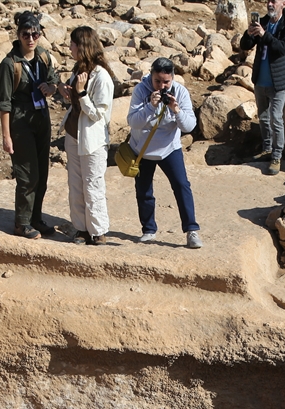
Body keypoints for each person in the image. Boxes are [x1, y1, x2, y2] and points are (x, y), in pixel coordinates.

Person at [126, 57, 202, 249]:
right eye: (157, 81)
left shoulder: (180, 92)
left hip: (169, 148)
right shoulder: (140, 91)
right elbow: (133, 122)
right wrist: (150, 106)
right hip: (142, 150)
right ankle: (148, 229)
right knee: (144, 191)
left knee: (182, 186)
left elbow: (190, 126)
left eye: (166, 82)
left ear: (173, 79)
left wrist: (176, 110)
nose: (161, 86)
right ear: (151, 77)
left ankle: (191, 230)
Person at [0, 11, 59, 239]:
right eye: (26, 34)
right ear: (18, 35)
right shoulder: (9, 64)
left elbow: (54, 80)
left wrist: (51, 89)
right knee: (27, 175)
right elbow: (4, 103)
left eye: (35, 34)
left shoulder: (43, 56)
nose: (30, 39)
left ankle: (36, 218)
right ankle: (21, 223)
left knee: (42, 172)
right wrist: (6, 136)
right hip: (20, 123)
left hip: (42, 119)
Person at [57, 26, 113, 246]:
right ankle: (81, 229)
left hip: (93, 140)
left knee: (93, 184)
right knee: (76, 184)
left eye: (72, 44)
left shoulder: (102, 76)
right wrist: (66, 91)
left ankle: (98, 230)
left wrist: (81, 93)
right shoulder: (78, 69)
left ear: (82, 46)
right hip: (73, 135)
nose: (69, 48)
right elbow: (73, 103)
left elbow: (100, 113)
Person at [239, 0, 285, 176]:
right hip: (260, 80)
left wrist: (264, 35)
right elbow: (244, 45)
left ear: (283, 3)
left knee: (276, 118)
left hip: (278, 81)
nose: (270, 4)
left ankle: (277, 156)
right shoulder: (263, 21)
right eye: (268, 1)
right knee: (263, 117)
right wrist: (249, 34)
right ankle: (266, 149)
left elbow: (282, 48)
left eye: (274, 1)